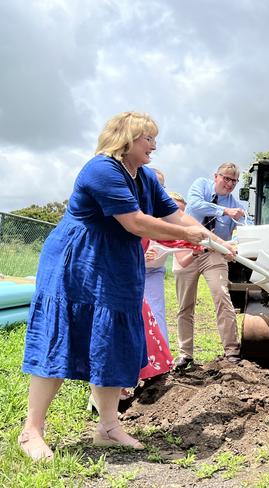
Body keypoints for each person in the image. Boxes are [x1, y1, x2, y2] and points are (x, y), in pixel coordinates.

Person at [19, 112, 235, 462]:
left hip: (117, 268)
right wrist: (188, 235)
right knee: (63, 339)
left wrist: (213, 239)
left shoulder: (146, 177)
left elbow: (175, 215)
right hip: (77, 264)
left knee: (113, 342)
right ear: (125, 138)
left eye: (154, 138)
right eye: (147, 138)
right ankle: (32, 430)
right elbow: (135, 222)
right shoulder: (101, 170)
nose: (154, 144)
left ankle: (107, 427)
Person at [174, 163, 248, 369]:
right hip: (187, 250)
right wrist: (225, 211)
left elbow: (244, 229)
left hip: (213, 254)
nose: (230, 184)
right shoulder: (201, 186)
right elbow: (195, 206)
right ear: (216, 176)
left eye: (234, 181)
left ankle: (232, 351)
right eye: (226, 178)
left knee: (222, 297)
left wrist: (239, 241)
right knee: (184, 305)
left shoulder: (236, 204)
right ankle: (185, 354)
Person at [143, 167, 170, 343]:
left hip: (152, 272)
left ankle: (160, 359)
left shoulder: (163, 213)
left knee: (155, 312)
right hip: (129, 271)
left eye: (162, 186)